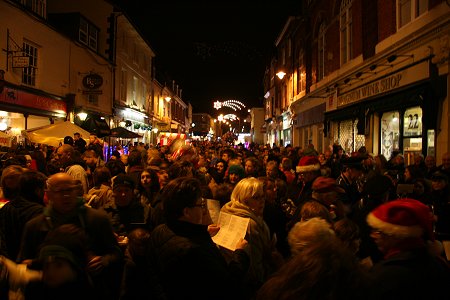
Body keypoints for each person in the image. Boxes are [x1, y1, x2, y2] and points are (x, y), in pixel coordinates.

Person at [18, 173, 123, 299]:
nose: (66, 195)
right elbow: (23, 262)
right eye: (60, 191)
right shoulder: (35, 225)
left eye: (69, 190)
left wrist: (104, 260)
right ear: (49, 194)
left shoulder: (96, 219)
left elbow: (116, 253)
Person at [146, 177, 249, 300]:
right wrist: (240, 253)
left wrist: (204, 233)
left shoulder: (160, 230)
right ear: (186, 212)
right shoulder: (194, 251)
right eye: (201, 205)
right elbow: (227, 285)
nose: (205, 211)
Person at [366, 198, 450, 299]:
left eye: (379, 231)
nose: (373, 235)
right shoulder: (438, 264)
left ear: (397, 235)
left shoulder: (384, 275)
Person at [220, 177, 282, 298]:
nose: (262, 201)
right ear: (244, 200)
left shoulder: (229, 210)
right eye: (256, 198)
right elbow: (255, 270)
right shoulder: (250, 225)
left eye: (262, 196)